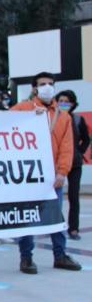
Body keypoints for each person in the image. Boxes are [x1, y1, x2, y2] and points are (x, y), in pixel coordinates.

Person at [11, 72, 82, 273]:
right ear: (34, 88)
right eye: (43, 84)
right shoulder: (22, 110)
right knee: (26, 218)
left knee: (55, 218)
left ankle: (60, 255)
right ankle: (26, 258)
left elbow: (67, 147)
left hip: (52, 178)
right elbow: (2, 126)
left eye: (51, 84)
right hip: (28, 176)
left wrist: (62, 172)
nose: (47, 87)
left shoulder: (63, 116)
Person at [55, 90, 90, 240]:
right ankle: (56, 226)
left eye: (67, 101)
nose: (63, 103)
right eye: (60, 100)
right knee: (56, 197)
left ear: (73, 103)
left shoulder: (78, 119)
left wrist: (79, 152)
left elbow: (86, 139)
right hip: (57, 163)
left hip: (75, 164)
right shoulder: (52, 119)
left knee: (74, 196)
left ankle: (73, 228)